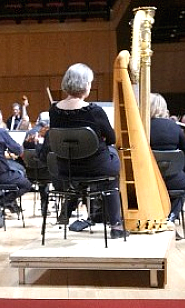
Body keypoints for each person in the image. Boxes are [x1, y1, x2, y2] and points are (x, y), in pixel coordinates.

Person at [39, 62, 126, 237]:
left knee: (85, 169)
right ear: (86, 85)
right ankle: (116, 226)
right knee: (112, 165)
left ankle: (73, 207)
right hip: (95, 168)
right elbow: (112, 139)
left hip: (66, 169)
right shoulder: (94, 111)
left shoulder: (54, 111)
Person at [149, 93, 185, 224]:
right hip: (173, 179)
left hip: (150, 180)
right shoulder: (175, 127)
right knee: (183, 185)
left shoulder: (143, 128)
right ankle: (171, 217)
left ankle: (152, 216)